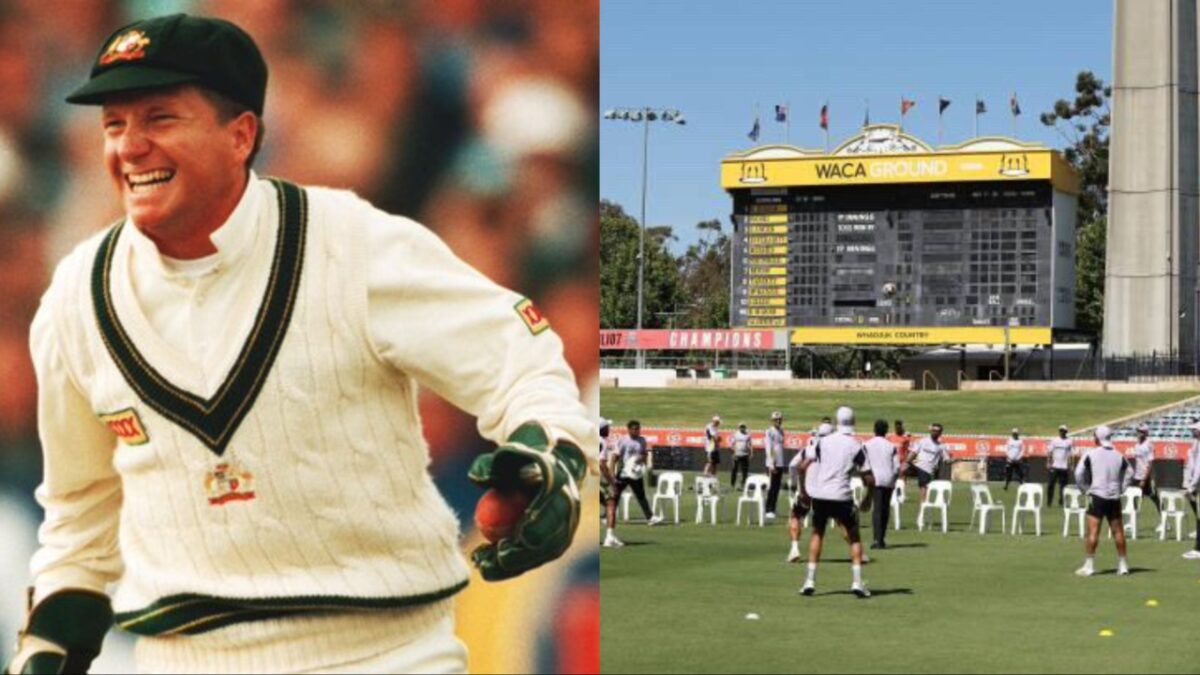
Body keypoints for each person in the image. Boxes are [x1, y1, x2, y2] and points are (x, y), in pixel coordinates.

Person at [8, 14, 591, 675]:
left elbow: (517, 351)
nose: (130, 146)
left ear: (241, 134)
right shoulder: (75, 301)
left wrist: (552, 455)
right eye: (114, 124)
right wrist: (48, 642)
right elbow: (81, 518)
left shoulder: (353, 245)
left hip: (380, 656)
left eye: (160, 118)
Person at [796, 406, 873, 598]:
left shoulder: (823, 442)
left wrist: (804, 491)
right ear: (853, 421)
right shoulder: (856, 445)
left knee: (817, 534)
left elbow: (802, 466)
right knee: (853, 536)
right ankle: (857, 582)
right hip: (841, 496)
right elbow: (869, 477)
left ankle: (809, 581)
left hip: (821, 495)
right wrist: (868, 497)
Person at [1074, 426, 1132, 576]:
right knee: (1118, 532)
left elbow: (1078, 473)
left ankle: (1089, 565)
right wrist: (1122, 488)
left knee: (1093, 532)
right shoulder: (1119, 455)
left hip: (1097, 496)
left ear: (1097, 438)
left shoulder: (1091, 454)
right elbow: (1130, 472)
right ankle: (1123, 565)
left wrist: (1085, 489)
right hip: (1114, 497)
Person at [787, 420, 830, 563]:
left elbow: (793, 465)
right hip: (827, 492)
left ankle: (794, 548)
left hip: (807, 491)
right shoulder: (835, 451)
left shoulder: (808, 450)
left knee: (795, 516)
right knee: (843, 521)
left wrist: (794, 484)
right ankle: (857, 551)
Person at [614, 420, 663, 527]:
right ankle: (607, 516)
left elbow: (644, 454)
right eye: (635, 429)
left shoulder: (642, 440)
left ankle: (650, 517)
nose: (637, 431)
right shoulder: (623, 440)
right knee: (616, 494)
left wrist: (642, 461)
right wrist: (616, 471)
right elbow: (617, 456)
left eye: (638, 429)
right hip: (624, 472)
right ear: (629, 429)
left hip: (635, 473)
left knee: (641, 495)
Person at [863, 420, 900, 549]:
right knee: (885, 509)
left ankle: (877, 540)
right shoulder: (891, 446)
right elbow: (897, 467)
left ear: (874, 430)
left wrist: (866, 478)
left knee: (877, 510)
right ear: (886, 431)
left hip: (875, 478)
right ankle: (882, 538)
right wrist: (894, 479)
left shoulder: (867, 444)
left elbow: (864, 463)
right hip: (889, 479)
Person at [909, 423, 951, 508]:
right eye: (933, 430)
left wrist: (954, 460)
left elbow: (946, 460)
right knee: (900, 470)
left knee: (923, 488)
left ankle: (922, 509)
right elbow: (913, 452)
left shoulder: (941, 446)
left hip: (927, 470)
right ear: (930, 431)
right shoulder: (922, 441)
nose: (935, 432)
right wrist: (907, 462)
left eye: (937, 431)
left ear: (940, 433)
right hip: (916, 466)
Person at [600, 419, 624, 548]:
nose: (609, 429)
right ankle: (609, 537)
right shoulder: (601, 442)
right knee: (611, 504)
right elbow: (601, 464)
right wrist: (611, 481)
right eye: (607, 427)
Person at [1128, 423, 1161, 515]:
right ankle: (1133, 519)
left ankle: (1165, 521)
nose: (1139, 433)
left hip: (1146, 477)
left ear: (1146, 433)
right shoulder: (1137, 444)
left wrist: (1144, 479)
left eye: (1141, 432)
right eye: (1138, 431)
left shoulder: (1148, 444)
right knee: (1134, 497)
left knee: (1154, 498)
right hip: (1137, 475)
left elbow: (1150, 464)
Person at [1182, 422, 1200, 560]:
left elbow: (1198, 470)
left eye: (1195, 430)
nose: (1192, 431)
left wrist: (1191, 487)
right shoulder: (1196, 443)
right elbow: (1191, 465)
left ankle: (1198, 549)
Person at [764, 411, 786, 519]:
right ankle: (768, 509)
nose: (778, 421)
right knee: (771, 487)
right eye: (776, 420)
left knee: (777, 488)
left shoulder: (782, 431)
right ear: (772, 421)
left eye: (780, 419)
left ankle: (773, 508)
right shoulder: (769, 431)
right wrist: (771, 463)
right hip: (772, 463)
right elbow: (769, 448)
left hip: (780, 462)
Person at [1045, 425, 1074, 507]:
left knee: (1063, 486)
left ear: (1066, 432)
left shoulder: (1069, 441)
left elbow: (1071, 454)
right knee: (1050, 484)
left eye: (1063, 430)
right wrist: (1048, 462)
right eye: (1060, 430)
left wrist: (1072, 465)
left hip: (1064, 467)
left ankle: (1062, 501)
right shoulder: (1054, 440)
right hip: (1054, 466)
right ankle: (1049, 502)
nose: (1061, 432)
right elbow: (1049, 452)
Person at [888, 419, 912, 485]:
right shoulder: (891, 437)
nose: (898, 429)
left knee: (902, 481)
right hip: (892, 461)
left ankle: (902, 493)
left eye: (899, 427)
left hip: (902, 462)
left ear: (902, 427)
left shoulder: (906, 438)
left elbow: (909, 450)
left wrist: (906, 462)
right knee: (892, 479)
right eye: (897, 427)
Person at [730, 423, 752, 491]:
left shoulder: (748, 435)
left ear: (745, 427)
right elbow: (732, 444)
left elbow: (750, 444)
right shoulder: (735, 434)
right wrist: (734, 452)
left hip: (745, 455)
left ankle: (743, 484)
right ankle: (732, 484)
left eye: (743, 427)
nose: (742, 428)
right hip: (737, 455)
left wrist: (751, 453)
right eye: (741, 427)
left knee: (745, 471)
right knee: (734, 470)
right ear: (739, 427)